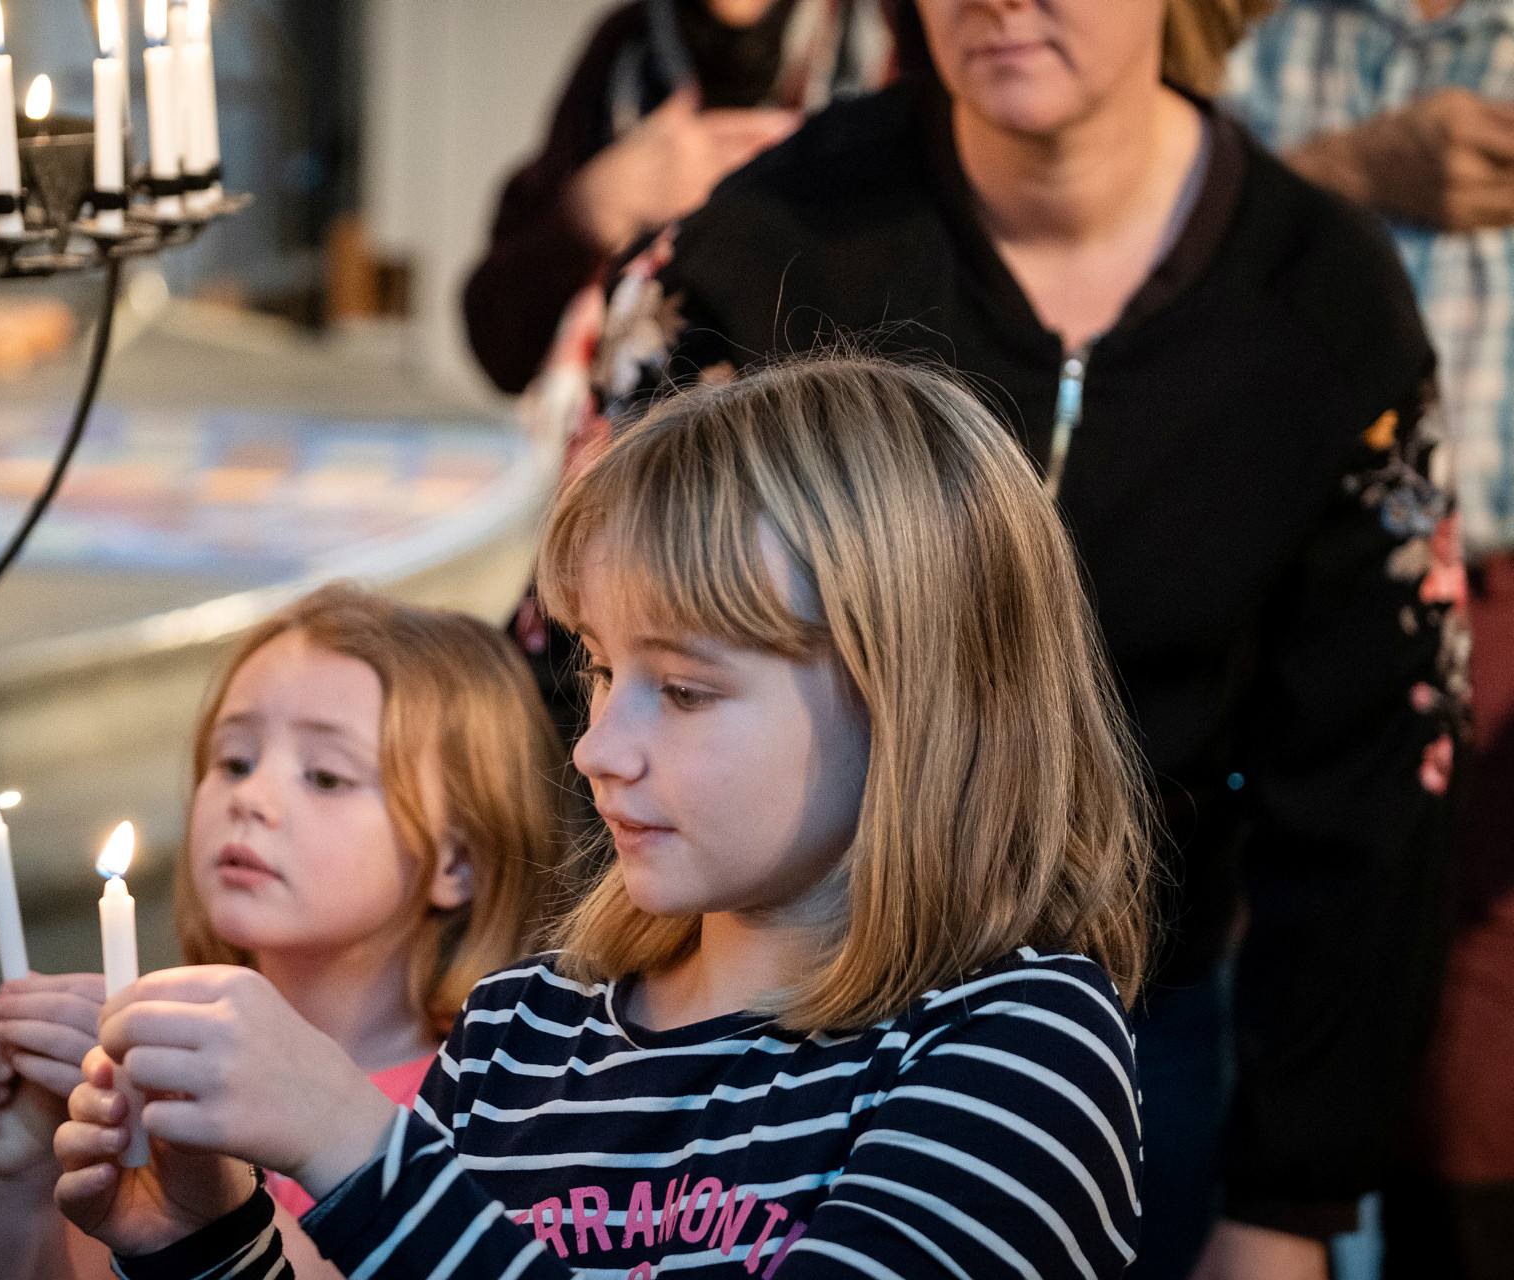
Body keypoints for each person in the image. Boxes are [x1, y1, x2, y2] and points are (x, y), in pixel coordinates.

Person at [572, 3, 1469, 1278]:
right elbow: (596, 648)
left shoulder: (1324, 297)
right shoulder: (758, 242)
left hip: (1145, 1017)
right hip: (751, 1006)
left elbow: (1380, 776)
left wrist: (1291, 1199)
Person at [51, 356, 1155, 1280]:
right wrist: (211, 1239)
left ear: (915, 698)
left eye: (682, 689)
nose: (595, 748)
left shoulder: (1017, 1044)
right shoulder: (521, 1034)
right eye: (598, 666)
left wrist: (353, 1144)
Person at [0, 584, 563, 1279]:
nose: (252, 798)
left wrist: (213, 1201)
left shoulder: (493, 1106)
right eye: (233, 761)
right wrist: (18, 1178)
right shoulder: (140, 1083)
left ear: (458, 859)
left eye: (325, 776)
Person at [1226, 6, 1514, 1272]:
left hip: (1505, 607)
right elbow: (1160, 254)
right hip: (1290, 602)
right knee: (1301, 1011)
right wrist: (1352, 170)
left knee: (1467, 1075)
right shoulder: (1259, 44)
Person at [462, 0, 892, 397]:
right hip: (646, 460)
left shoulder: (887, 47)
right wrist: (599, 204)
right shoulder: (625, 55)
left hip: (841, 456)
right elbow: (500, 346)